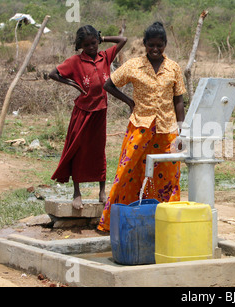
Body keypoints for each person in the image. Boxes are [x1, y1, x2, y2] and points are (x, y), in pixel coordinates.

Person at [97, 22, 186, 232]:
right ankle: (117, 222)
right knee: (128, 171)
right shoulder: (133, 65)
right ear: (144, 44)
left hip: (167, 130)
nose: (155, 50)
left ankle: (166, 224)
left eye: (160, 45)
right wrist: (129, 102)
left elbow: (179, 100)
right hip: (140, 126)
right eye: (151, 45)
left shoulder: (173, 67)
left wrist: (182, 130)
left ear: (165, 44)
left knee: (168, 175)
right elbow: (108, 84)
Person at [49, 25, 127, 209]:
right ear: (80, 45)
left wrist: (102, 37)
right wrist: (74, 85)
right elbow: (53, 74)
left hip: (100, 111)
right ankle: (77, 192)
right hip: (82, 112)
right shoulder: (75, 61)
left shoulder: (105, 56)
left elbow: (123, 40)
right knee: (78, 150)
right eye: (87, 44)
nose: (92, 47)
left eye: (94, 43)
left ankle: (102, 191)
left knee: (98, 151)